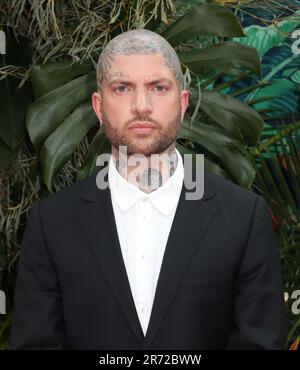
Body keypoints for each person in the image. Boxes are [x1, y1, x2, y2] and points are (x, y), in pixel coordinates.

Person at [11, 29, 286, 350]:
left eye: (158, 88)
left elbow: (259, 344)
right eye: (123, 88)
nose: (141, 106)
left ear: (182, 103)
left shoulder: (243, 216)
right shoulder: (52, 222)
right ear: (99, 107)